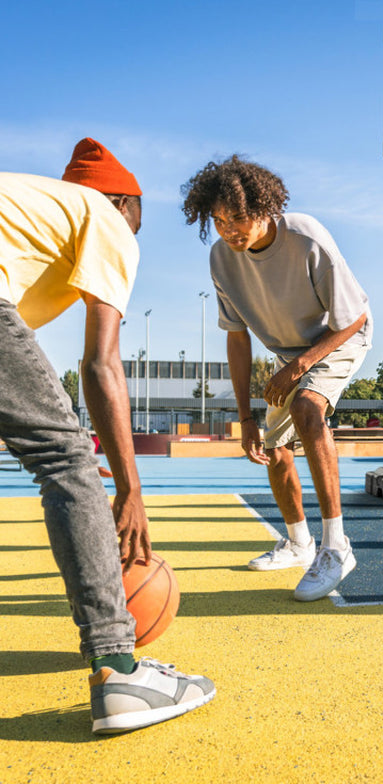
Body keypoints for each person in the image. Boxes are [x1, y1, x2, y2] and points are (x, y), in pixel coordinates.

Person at [0, 138, 215, 734]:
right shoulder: (105, 219)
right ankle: (118, 670)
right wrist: (129, 487)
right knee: (66, 460)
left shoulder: (35, 218)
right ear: (125, 201)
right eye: (140, 217)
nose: (139, 234)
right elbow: (101, 363)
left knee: (58, 450)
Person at [181, 156, 372, 601]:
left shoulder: (306, 236)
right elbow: (236, 338)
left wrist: (299, 367)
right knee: (274, 447)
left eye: (238, 217)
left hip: (339, 337)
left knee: (307, 407)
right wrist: (245, 417)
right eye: (219, 220)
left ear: (264, 207)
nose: (229, 229)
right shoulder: (221, 259)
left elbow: (353, 316)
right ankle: (299, 543)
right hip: (289, 353)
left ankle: (336, 546)